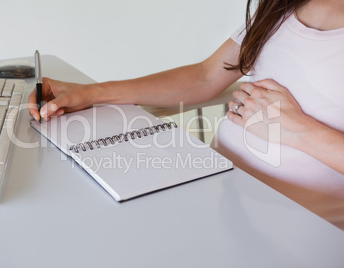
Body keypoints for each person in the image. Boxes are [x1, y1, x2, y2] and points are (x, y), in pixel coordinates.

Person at [27, 0, 344, 229]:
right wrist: (91, 93)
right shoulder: (278, 7)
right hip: (220, 191)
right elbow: (206, 76)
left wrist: (298, 131)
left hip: (304, 230)